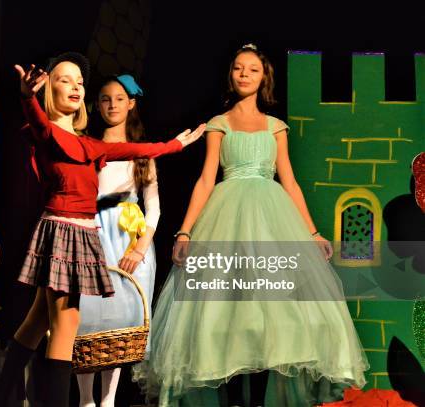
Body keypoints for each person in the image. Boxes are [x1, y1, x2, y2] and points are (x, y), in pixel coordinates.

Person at [136, 44, 369, 407]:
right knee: (226, 314)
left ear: (264, 79)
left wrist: (312, 232)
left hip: (271, 221)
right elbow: (205, 180)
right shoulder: (219, 124)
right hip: (226, 220)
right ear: (231, 75)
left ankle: (259, 402)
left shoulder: (276, 127)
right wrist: (184, 231)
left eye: (253, 69)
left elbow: (289, 181)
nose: (244, 74)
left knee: (266, 315)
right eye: (238, 68)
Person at [0, 52, 205, 407]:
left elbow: (138, 148)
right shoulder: (49, 133)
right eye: (64, 80)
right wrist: (26, 96)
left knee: (37, 322)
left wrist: (178, 144)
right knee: (67, 325)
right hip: (63, 232)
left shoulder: (90, 145)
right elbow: (37, 121)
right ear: (48, 88)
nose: (74, 86)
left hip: (82, 234)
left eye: (79, 81)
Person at [75, 74, 159, 407]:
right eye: (106, 99)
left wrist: (139, 247)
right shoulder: (87, 147)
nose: (112, 105)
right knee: (88, 312)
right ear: (97, 105)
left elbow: (153, 207)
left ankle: (108, 399)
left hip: (127, 236)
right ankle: (84, 399)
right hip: (92, 231)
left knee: (120, 317)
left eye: (120, 98)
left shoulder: (141, 153)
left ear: (131, 103)